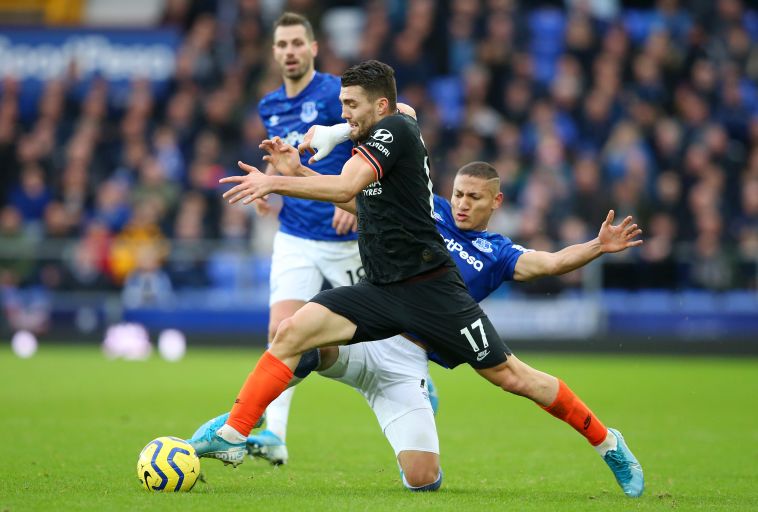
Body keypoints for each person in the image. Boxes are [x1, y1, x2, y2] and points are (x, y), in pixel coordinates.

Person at [190, 60, 644, 498]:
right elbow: (359, 201)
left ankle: (609, 443)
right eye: (459, 193)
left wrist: (595, 247)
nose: (463, 203)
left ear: (496, 201)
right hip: (382, 300)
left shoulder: (495, 248)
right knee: (293, 333)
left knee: (506, 386)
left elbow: (547, 263)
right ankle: (236, 429)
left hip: (431, 305)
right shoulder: (430, 207)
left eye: (350, 104)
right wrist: (298, 170)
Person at [242, 12, 364, 465]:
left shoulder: (337, 92)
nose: (290, 51)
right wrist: (267, 183)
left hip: (344, 237)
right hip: (294, 235)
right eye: (282, 44)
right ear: (274, 52)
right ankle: (275, 436)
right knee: (282, 330)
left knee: (376, 342)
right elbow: (282, 154)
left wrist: (351, 197)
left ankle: (413, 380)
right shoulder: (269, 105)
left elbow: (374, 136)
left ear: (313, 48)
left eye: (297, 43)